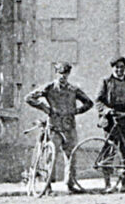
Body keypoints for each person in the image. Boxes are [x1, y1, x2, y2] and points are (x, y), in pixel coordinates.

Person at [24, 62, 94, 190]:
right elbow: (29, 98)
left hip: (69, 126)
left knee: (71, 155)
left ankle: (70, 184)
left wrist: (77, 111)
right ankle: (47, 186)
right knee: (51, 156)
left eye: (65, 73)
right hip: (54, 126)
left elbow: (89, 103)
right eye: (60, 73)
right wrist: (44, 107)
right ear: (56, 73)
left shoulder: (73, 90)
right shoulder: (49, 87)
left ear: (68, 74)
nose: (63, 76)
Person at [95, 55, 125, 192]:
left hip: (124, 118)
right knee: (109, 149)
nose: (119, 70)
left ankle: (124, 183)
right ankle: (107, 184)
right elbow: (98, 100)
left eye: (122, 67)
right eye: (116, 67)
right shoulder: (106, 81)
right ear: (112, 68)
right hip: (111, 119)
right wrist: (106, 110)